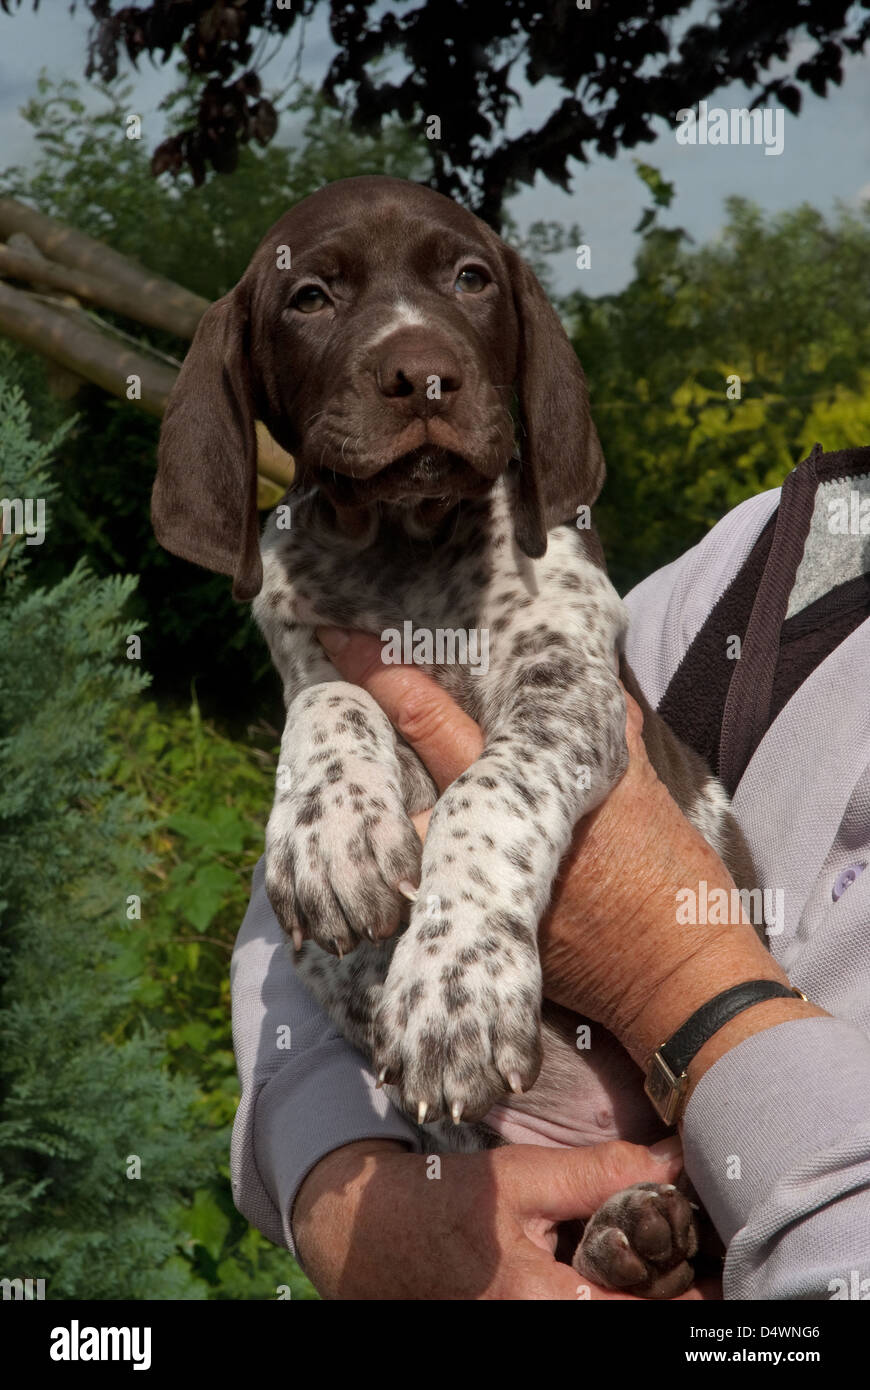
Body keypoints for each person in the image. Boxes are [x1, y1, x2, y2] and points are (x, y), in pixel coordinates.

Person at [230, 443, 870, 1299]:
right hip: (487, 1146)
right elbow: (355, 845)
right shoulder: (781, 546)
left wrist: (676, 978)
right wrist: (344, 1180)